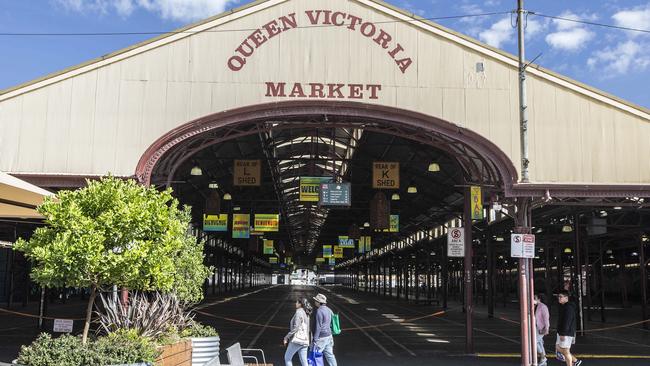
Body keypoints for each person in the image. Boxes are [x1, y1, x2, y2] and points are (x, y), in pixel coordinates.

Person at [556, 290, 581, 366]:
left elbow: (567, 321)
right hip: (563, 332)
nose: (559, 298)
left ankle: (574, 362)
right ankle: (575, 361)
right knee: (560, 348)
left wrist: (563, 333)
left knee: (565, 351)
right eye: (558, 297)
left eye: (560, 297)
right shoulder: (564, 306)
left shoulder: (568, 308)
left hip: (566, 333)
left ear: (566, 298)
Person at [284, 298, 312, 366]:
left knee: (287, 358)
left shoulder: (299, 312)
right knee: (304, 362)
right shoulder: (306, 312)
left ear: (300, 304)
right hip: (305, 341)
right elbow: (308, 328)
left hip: (297, 340)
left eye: (296, 302)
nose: (295, 304)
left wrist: (286, 337)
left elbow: (296, 328)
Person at [312, 293, 338, 366]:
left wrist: (315, 339)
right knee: (330, 355)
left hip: (321, 337)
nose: (314, 302)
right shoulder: (329, 310)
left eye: (315, 300)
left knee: (316, 355)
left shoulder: (319, 311)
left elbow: (318, 326)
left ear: (319, 302)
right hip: (329, 336)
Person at [534, 293, 550, 366]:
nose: (533, 299)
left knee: (534, 342)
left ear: (539, 299)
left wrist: (547, 328)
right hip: (537, 327)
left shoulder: (543, 307)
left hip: (541, 328)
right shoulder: (537, 306)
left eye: (535, 298)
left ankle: (543, 357)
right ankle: (543, 361)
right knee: (539, 342)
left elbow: (546, 319)